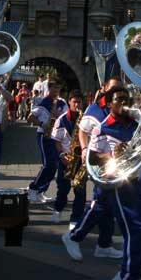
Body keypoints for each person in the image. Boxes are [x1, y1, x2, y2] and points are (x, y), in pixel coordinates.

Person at [63, 87, 141, 280]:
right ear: (109, 104)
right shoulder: (102, 129)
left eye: (125, 99)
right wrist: (112, 154)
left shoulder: (134, 123)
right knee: (136, 229)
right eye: (118, 100)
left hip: (134, 181)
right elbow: (92, 158)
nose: (123, 103)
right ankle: (127, 279)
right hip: (118, 184)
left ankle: (124, 279)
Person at [64, 80, 121, 255]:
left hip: (114, 162)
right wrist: (84, 149)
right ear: (104, 89)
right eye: (112, 89)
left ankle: (104, 245)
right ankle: (73, 236)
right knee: (100, 204)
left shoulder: (119, 108)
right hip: (98, 161)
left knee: (109, 205)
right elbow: (82, 130)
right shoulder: (95, 109)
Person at [27, 80, 67, 203]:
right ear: (49, 89)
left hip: (57, 137)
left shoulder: (62, 103)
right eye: (54, 88)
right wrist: (43, 124)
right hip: (44, 136)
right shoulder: (43, 102)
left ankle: (41, 191)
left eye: (58, 88)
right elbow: (30, 118)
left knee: (53, 166)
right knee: (48, 164)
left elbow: (67, 117)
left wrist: (58, 113)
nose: (56, 91)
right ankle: (33, 188)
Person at [50, 91, 86, 225]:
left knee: (80, 191)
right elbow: (57, 140)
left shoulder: (85, 119)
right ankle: (57, 210)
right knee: (63, 189)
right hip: (66, 158)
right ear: (69, 102)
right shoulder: (62, 119)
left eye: (79, 102)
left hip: (80, 161)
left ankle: (76, 218)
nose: (77, 104)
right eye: (74, 102)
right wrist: (61, 155)